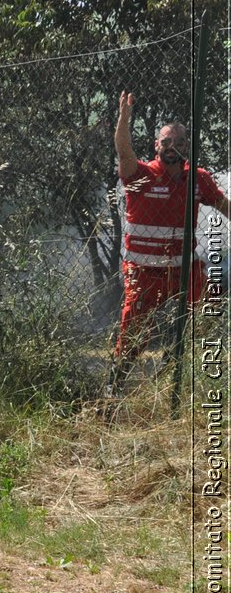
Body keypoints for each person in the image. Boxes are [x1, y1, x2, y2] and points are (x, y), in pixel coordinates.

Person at [111, 91, 231, 391]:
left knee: (205, 312)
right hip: (143, 270)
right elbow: (124, 152)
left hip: (184, 268)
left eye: (178, 143)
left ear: (186, 147)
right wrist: (124, 119)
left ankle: (169, 371)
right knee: (136, 331)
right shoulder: (141, 176)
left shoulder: (197, 178)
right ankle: (114, 384)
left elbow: (223, 205)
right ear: (156, 147)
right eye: (166, 142)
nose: (172, 148)